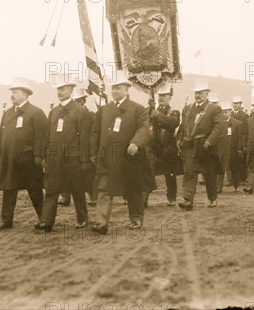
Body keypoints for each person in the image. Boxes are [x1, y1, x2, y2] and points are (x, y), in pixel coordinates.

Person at [90, 73, 151, 234]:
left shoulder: (137, 109)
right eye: (113, 88)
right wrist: (93, 152)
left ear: (126, 89)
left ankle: (136, 220)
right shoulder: (103, 110)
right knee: (104, 189)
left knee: (133, 190)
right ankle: (101, 223)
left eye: (118, 88)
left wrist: (136, 143)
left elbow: (144, 128)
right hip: (107, 157)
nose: (115, 91)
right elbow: (95, 132)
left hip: (128, 157)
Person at [0, 78, 48, 230]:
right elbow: (1, 135)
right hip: (10, 159)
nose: (12, 95)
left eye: (15, 92)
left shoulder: (35, 112)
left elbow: (42, 136)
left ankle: (44, 218)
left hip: (28, 160)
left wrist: (38, 156)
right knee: (8, 189)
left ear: (25, 94)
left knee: (35, 189)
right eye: (11, 92)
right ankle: (6, 220)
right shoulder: (8, 113)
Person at [37, 80, 91, 232]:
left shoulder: (80, 111)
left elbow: (85, 138)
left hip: (73, 158)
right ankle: (47, 221)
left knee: (77, 189)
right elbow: (47, 136)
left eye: (62, 89)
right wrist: (44, 155)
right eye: (58, 89)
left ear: (70, 90)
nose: (59, 92)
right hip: (54, 159)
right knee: (51, 189)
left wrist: (84, 160)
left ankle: (82, 218)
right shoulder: (53, 111)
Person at [177, 81, 225, 210]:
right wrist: (180, 140)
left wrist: (210, 141)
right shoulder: (187, 109)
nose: (198, 95)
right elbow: (183, 126)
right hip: (190, 145)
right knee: (189, 173)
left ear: (207, 94)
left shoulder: (214, 109)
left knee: (209, 173)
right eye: (196, 93)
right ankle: (188, 200)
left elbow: (219, 126)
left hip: (205, 146)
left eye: (200, 93)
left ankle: (212, 198)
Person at [147, 83, 182, 206]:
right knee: (149, 172)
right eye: (160, 96)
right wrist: (149, 110)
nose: (161, 98)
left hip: (168, 149)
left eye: (164, 96)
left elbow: (173, 123)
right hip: (155, 149)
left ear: (170, 97)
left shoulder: (174, 112)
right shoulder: (153, 111)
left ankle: (171, 198)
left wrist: (158, 115)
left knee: (170, 175)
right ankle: (144, 198)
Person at [72, 87, 98, 206]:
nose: (80, 102)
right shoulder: (71, 116)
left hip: (87, 147)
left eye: (82, 100)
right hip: (74, 150)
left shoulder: (90, 114)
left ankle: (93, 196)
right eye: (77, 101)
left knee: (89, 174)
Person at [218, 102, 244, 193]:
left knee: (234, 169)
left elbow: (240, 137)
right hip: (222, 150)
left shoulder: (237, 124)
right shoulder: (219, 123)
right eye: (223, 112)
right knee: (220, 169)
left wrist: (239, 149)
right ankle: (218, 188)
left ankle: (236, 186)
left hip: (233, 150)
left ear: (230, 112)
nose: (224, 114)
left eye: (226, 112)